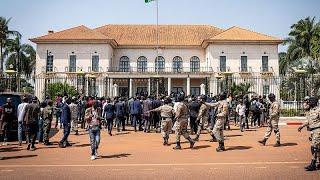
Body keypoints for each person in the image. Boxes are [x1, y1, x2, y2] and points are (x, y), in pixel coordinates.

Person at [298, 96, 320, 171]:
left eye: (310, 102)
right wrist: (302, 126)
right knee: (317, 148)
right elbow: (309, 121)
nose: (308, 103)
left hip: (318, 131)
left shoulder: (319, 110)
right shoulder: (311, 110)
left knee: (314, 147)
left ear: (314, 102)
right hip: (313, 131)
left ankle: (313, 164)